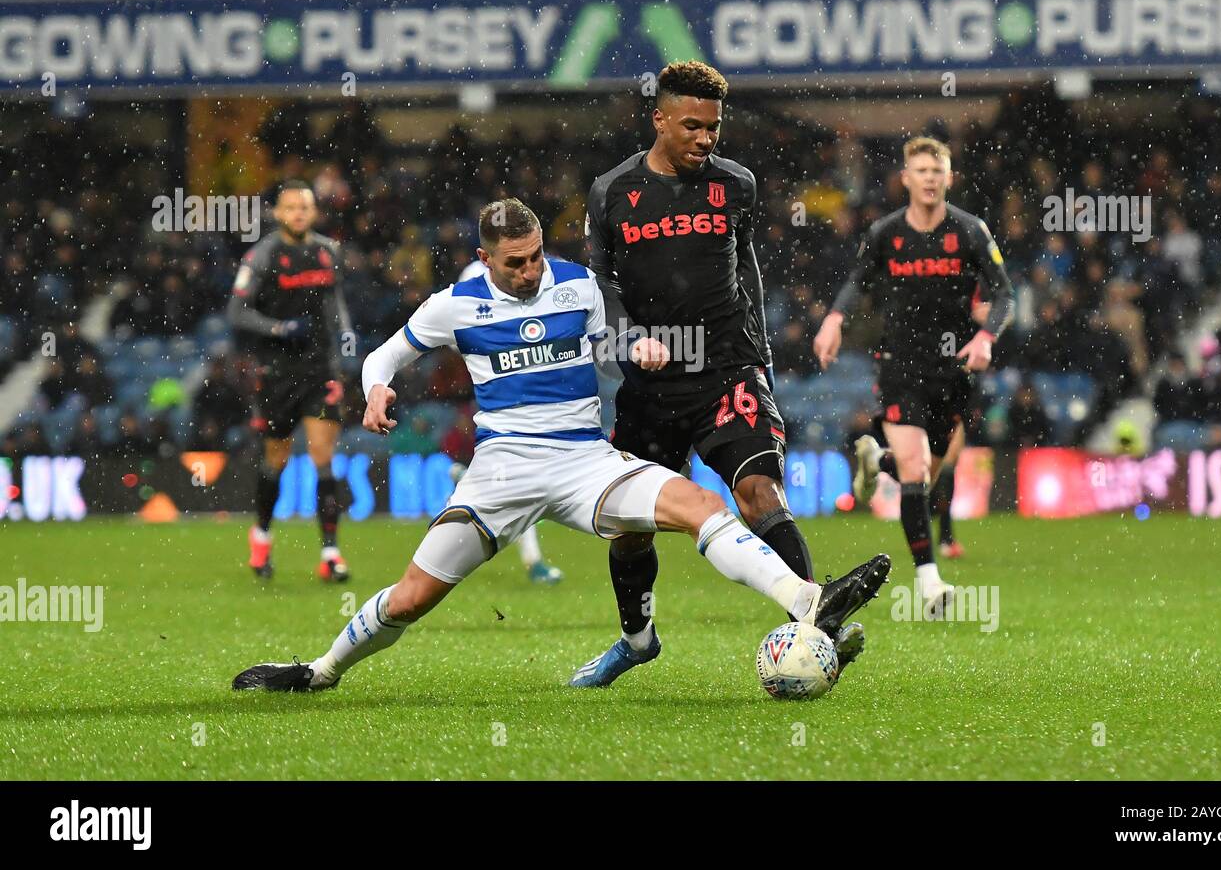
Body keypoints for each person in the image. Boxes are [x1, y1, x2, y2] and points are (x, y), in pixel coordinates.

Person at [232, 198, 889, 693]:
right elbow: (381, 357)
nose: (529, 271)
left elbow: (623, 330)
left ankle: (808, 599)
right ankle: (320, 671)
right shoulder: (455, 304)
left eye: (536, 255)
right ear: (485, 258)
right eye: (514, 262)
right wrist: (375, 390)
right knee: (411, 598)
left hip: (583, 461)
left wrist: (642, 344)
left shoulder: (576, 283)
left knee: (696, 504)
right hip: (500, 475)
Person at [578, 60, 869, 687]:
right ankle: (636, 639)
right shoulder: (612, 192)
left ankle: (817, 623)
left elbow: (746, 266)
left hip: (726, 370)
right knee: (629, 531)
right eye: (692, 126)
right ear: (658, 119)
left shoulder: (736, 184)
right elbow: (599, 280)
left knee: (759, 491)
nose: (706, 139)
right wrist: (630, 337)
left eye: (713, 127)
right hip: (652, 384)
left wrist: (757, 352)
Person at [814, 137, 1013, 616]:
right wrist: (835, 319)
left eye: (937, 170)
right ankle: (929, 582)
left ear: (950, 178)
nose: (929, 178)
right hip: (900, 365)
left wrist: (986, 337)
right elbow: (857, 282)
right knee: (917, 468)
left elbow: (1005, 294)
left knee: (925, 474)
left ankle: (873, 460)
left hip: (955, 371)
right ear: (905, 178)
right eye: (920, 170)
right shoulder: (885, 233)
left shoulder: (971, 231)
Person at [228, 180, 352, 583]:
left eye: (305, 207)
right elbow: (238, 312)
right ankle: (261, 537)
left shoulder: (327, 251)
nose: (299, 213)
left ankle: (330, 554)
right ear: (278, 213)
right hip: (276, 373)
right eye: (291, 207)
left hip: (318, 371)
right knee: (276, 461)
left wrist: (345, 347)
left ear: (314, 213)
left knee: (322, 455)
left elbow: (336, 307)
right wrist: (280, 328)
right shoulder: (263, 255)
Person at [453, 258, 564, 586]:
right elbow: (456, 330)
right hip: (496, 387)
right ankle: (534, 562)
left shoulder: (540, 269)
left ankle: (469, 478)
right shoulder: (473, 276)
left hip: (531, 382)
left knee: (520, 473)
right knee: (521, 471)